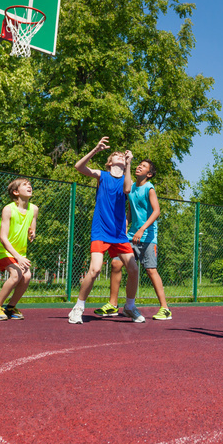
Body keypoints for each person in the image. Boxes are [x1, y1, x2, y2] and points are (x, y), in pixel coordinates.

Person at [68, 138, 144, 324]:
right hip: (101, 230)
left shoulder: (127, 178)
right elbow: (79, 167)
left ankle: (129, 306)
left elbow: (127, 188)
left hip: (119, 234)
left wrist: (129, 163)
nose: (120, 155)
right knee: (94, 270)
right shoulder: (102, 175)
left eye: (121, 155)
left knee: (133, 269)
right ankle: (78, 307)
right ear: (109, 163)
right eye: (116, 155)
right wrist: (95, 149)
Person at [95, 158, 171, 320]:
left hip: (148, 236)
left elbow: (156, 211)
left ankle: (165, 308)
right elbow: (131, 210)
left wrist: (142, 229)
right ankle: (113, 305)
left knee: (150, 270)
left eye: (143, 167)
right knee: (116, 263)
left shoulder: (149, 188)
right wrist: (125, 226)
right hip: (130, 236)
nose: (139, 167)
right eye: (139, 165)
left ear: (149, 174)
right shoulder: (131, 187)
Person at [0, 178, 39, 321]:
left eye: (30, 184)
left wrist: (31, 234)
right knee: (16, 274)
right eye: (25, 185)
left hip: (19, 251)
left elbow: (32, 228)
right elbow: (3, 238)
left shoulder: (34, 209)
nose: (29, 186)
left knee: (27, 276)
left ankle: (10, 308)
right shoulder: (8, 209)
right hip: (2, 248)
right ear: (16, 192)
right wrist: (18, 257)